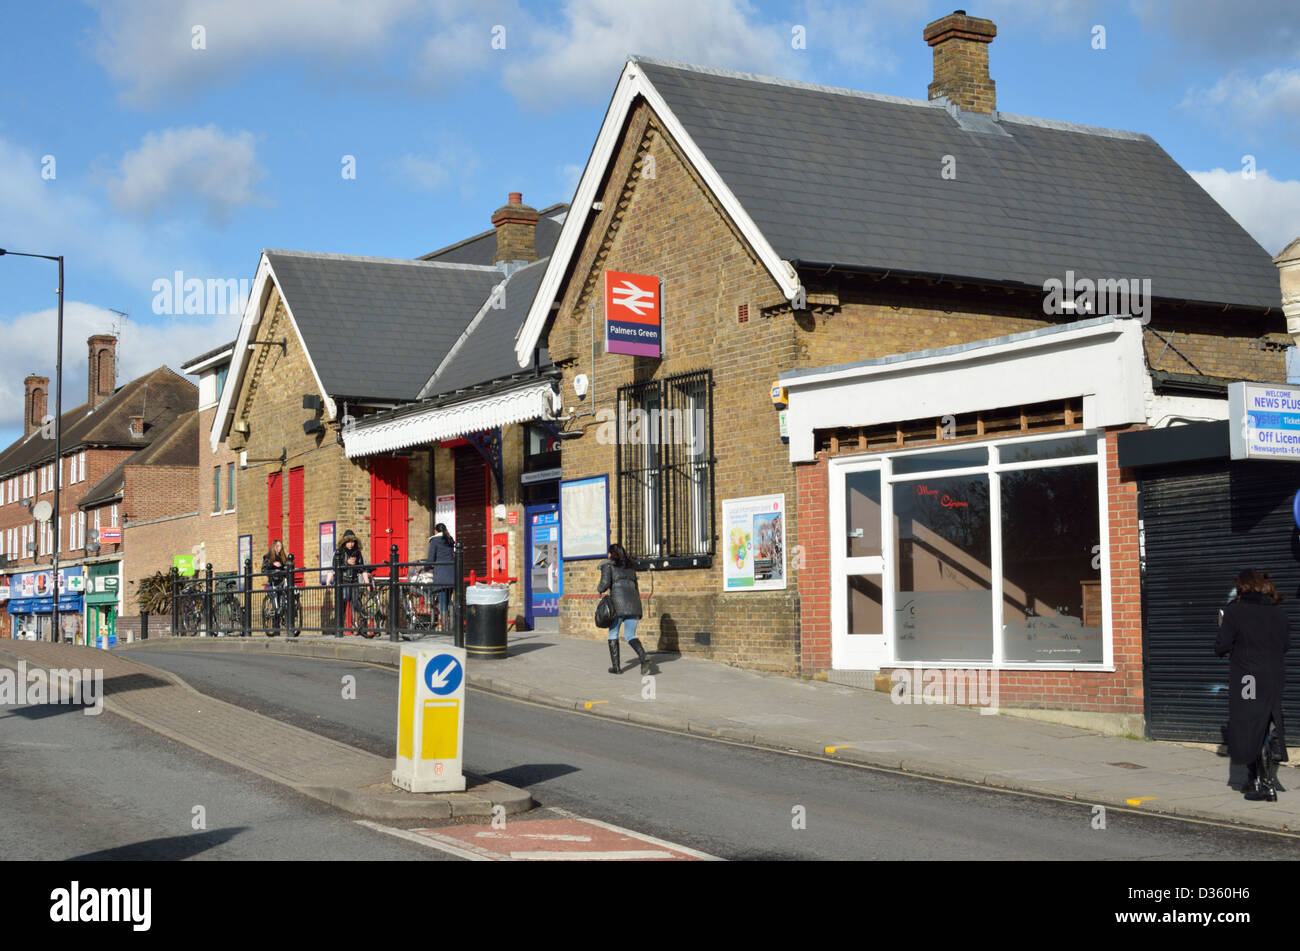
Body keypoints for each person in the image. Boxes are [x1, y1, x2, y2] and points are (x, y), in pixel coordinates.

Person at [1215, 569, 1290, 802]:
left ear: (1243, 587)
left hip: (1248, 677)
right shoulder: (1279, 614)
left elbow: (1221, 646)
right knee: (1267, 724)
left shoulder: (1235, 612)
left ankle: (1265, 785)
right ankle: (1254, 780)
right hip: (1274, 675)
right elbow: (1285, 646)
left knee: (1251, 726)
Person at [597, 542, 650, 675]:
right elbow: (636, 588)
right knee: (630, 635)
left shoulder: (608, 565)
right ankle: (643, 657)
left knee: (613, 633)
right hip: (634, 605)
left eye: (608, 552)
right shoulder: (631, 567)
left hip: (618, 606)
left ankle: (616, 667)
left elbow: (604, 584)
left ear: (611, 554)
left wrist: (599, 589)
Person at [332, 530, 368, 634]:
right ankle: (340, 628)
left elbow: (362, 568)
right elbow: (334, 566)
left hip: (355, 581)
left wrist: (366, 582)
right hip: (344, 581)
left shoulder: (357, 552)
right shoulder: (339, 552)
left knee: (356, 605)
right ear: (344, 542)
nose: (351, 544)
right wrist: (346, 563)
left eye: (352, 542)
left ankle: (356, 627)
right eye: (348, 542)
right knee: (342, 605)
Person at [425, 523, 456, 630]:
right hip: (452, 574)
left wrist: (426, 569)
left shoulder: (435, 541)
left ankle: (445, 627)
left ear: (435, 531)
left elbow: (430, 559)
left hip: (441, 575)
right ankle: (452, 625)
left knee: (442, 600)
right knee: (448, 600)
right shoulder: (449, 540)